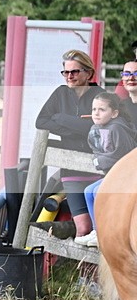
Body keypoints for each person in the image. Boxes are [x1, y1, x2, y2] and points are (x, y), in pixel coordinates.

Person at [35, 49, 105, 239]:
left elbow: (97, 128)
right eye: (66, 72)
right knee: (82, 228)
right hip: (71, 171)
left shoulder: (101, 96)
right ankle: (82, 270)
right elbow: (41, 121)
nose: (69, 76)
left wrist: (61, 118)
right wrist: (77, 127)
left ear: (88, 73)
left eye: (74, 72)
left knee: (100, 230)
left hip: (98, 172)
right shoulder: (60, 94)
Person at [74, 92, 137, 247]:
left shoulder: (117, 128)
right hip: (113, 175)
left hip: (127, 175)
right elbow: (99, 149)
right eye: (94, 109)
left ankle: (106, 232)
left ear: (114, 113)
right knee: (89, 191)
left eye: (102, 109)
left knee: (98, 192)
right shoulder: (98, 128)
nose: (96, 113)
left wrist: (98, 161)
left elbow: (122, 155)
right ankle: (97, 230)